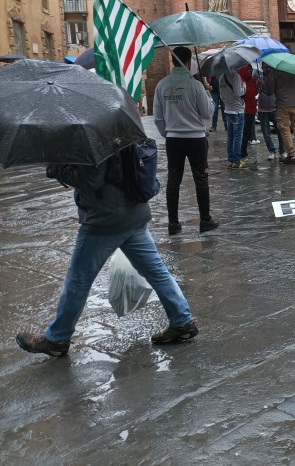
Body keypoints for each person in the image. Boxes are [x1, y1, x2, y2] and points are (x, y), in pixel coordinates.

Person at [15, 154, 200, 357]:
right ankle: (182, 321)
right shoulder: (119, 129)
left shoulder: (93, 139)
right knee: (156, 271)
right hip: (134, 212)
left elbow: (91, 179)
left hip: (105, 219)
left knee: (78, 281)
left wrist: (56, 168)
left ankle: (57, 339)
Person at [153, 46, 219, 234]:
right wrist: (208, 96)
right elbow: (207, 113)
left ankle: (173, 223)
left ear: (172, 61)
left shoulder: (162, 85)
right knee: (201, 178)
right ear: (189, 62)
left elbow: (158, 117)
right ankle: (205, 220)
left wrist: (168, 134)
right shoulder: (195, 85)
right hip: (196, 138)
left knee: (174, 178)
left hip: (174, 139)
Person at [264, 66, 295, 164]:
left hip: (282, 105)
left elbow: (269, 91)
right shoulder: (294, 72)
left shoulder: (275, 73)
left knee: (285, 130)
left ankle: (291, 155)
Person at [257, 67, 286, 161]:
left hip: (274, 107)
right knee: (266, 132)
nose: (267, 68)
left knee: (280, 130)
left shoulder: (276, 76)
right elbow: (255, 91)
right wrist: (258, 85)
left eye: (268, 66)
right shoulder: (259, 77)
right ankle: (272, 151)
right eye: (265, 66)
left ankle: (282, 151)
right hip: (262, 108)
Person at [238, 65, 259, 162]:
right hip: (244, 110)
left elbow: (254, 93)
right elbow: (245, 93)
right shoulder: (241, 80)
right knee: (244, 133)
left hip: (251, 109)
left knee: (247, 133)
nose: (250, 71)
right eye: (248, 69)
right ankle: (242, 152)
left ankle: (243, 152)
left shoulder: (252, 80)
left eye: (251, 69)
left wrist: (258, 86)